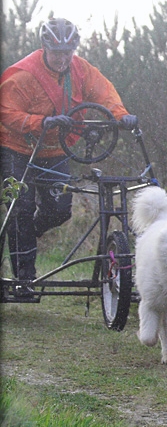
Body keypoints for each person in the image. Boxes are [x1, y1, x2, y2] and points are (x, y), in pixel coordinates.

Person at [0, 17, 138, 283]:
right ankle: (25, 279)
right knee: (21, 209)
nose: (63, 59)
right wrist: (38, 122)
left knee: (60, 209)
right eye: (57, 53)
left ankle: (29, 233)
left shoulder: (81, 70)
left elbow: (104, 95)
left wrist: (121, 116)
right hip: (17, 149)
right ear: (45, 49)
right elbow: (5, 110)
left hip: (55, 151)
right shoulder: (23, 75)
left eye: (67, 53)